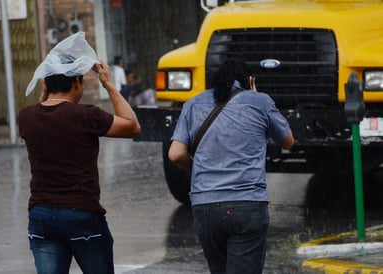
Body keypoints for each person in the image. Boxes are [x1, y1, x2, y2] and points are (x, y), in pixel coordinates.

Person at [18, 32, 141, 274]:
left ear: (45, 83)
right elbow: (132, 126)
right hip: (81, 214)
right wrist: (109, 84)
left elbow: (44, 107)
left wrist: (47, 90)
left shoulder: (26, 118)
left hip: (41, 216)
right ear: (77, 83)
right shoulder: (86, 115)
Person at [168, 59, 294, 274]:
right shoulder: (259, 101)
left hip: (205, 205)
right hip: (247, 205)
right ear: (250, 80)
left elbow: (175, 154)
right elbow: (288, 142)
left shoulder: (192, 104)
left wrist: (198, 166)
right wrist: (255, 98)